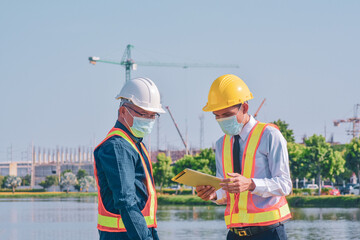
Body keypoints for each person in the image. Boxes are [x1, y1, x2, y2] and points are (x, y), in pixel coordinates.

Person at [196, 74, 292, 240]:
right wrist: (213, 195)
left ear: (245, 108)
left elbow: (285, 185)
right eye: (217, 115)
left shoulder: (270, 135)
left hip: (269, 234)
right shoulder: (221, 144)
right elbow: (225, 191)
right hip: (234, 235)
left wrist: (251, 184)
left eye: (226, 114)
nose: (221, 120)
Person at [93, 77, 165, 240]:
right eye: (143, 114)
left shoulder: (134, 144)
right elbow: (126, 201)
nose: (148, 120)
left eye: (153, 115)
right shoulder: (117, 147)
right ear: (123, 111)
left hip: (137, 232)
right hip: (125, 235)